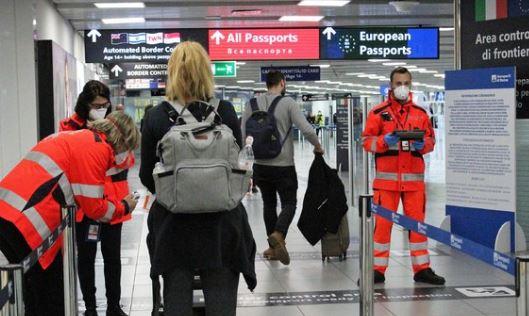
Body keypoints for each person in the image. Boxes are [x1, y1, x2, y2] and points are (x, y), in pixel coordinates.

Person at [139, 41, 256, 316]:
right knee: (221, 304)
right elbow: (236, 166)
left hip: (173, 228)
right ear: (207, 72)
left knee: (177, 304)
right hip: (223, 227)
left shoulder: (156, 116)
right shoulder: (224, 111)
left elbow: (147, 176)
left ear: (172, 73)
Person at [0, 111, 140, 316]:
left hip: (11, 212)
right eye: (127, 149)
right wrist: (124, 206)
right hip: (28, 222)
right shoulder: (96, 148)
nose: (125, 157)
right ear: (121, 141)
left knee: (35, 290)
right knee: (49, 294)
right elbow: (96, 208)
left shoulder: (74, 138)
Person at [362, 67, 445, 285]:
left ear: (411, 85)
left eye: (406, 83)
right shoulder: (378, 113)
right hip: (386, 183)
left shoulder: (420, 113)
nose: (402, 87)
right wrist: (383, 141)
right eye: (398, 83)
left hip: (414, 183)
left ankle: (422, 269)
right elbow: (366, 141)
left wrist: (422, 144)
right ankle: (377, 270)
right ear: (391, 86)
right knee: (382, 228)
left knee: (418, 227)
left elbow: (431, 141)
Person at [60, 80, 133, 316]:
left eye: (104, 104)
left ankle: (114, 305)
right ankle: (90, 307)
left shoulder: (115, 126)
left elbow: (127, 159)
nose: (101, 108)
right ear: (85, 105)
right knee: (87, 257)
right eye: (96, 105)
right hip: (85, 206)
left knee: (113, 258)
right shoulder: (69, 128)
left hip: (114, 205)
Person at [241, 70, 324, 265]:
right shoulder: (288, 103)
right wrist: (318, 146)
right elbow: (306, 129)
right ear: (282, 83)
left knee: (269, 204)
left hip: (260, 165)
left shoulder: (250, 104)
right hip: (283, 164)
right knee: (289, 203)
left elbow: (243, 132)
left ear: (266, 84)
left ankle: (272, 248)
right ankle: (279, 234)